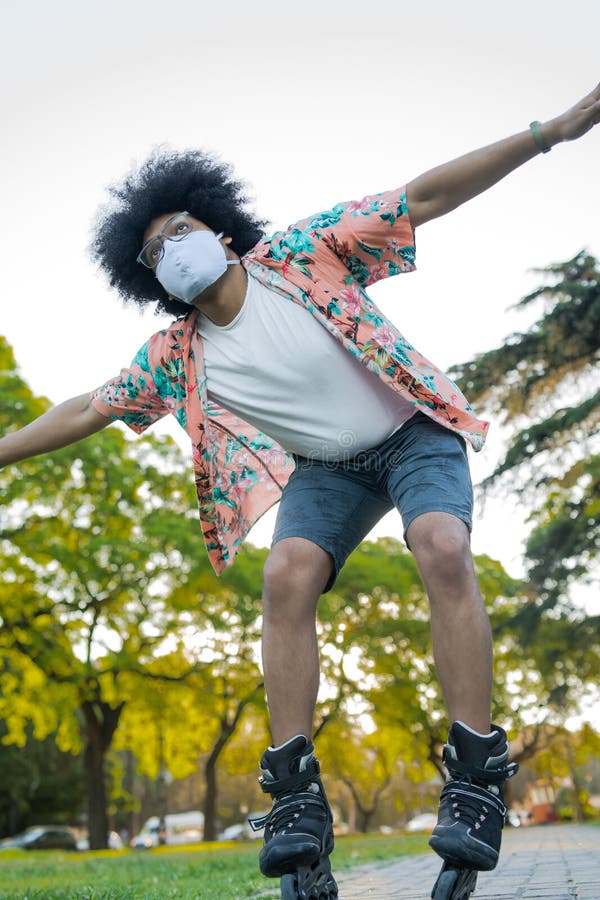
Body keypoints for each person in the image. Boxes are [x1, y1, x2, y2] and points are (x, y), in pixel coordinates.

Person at [1, 84, 598, 885]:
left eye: (181, 230)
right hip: (329, 470)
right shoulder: (176, 355)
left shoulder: (300, 255)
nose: (172, 249)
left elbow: (423, 196)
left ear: (218, 228)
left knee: (441, 543)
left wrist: (549, 133)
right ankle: (293, 795)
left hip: (412, 433)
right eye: (153, 252)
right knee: (284, 576)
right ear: (150, 279)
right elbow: (84, 409)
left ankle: (476, 771)